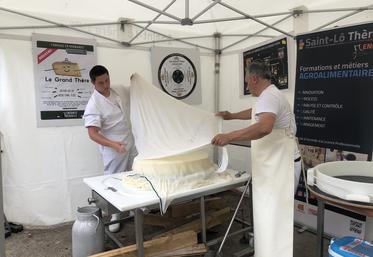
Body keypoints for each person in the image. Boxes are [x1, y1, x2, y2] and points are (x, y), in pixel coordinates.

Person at [211, 62, 296, 257]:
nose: (247, 85)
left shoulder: (271, 96)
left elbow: (264, 127)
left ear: (255, 78)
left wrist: (229, 136)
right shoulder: (266, 96)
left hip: (281, 164)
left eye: (247, 80)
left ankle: (276, 252)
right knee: (267, 213)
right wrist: (231, 116)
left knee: (275, 215)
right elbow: (254, 112)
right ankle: (266, 249)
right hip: (272, 164)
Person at [83, 65, 137, 232]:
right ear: (93, 83)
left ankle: (136, 208)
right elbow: (92, 134)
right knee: (115, 181)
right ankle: (115, 215)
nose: (106, 85)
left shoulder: (117, 90)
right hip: (113, 149)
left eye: (107, 80)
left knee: (134, 175)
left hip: (129, 141)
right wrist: (114, 144)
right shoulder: (93, 105)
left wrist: (135, 81)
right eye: (101, 83)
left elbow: (133, 90)